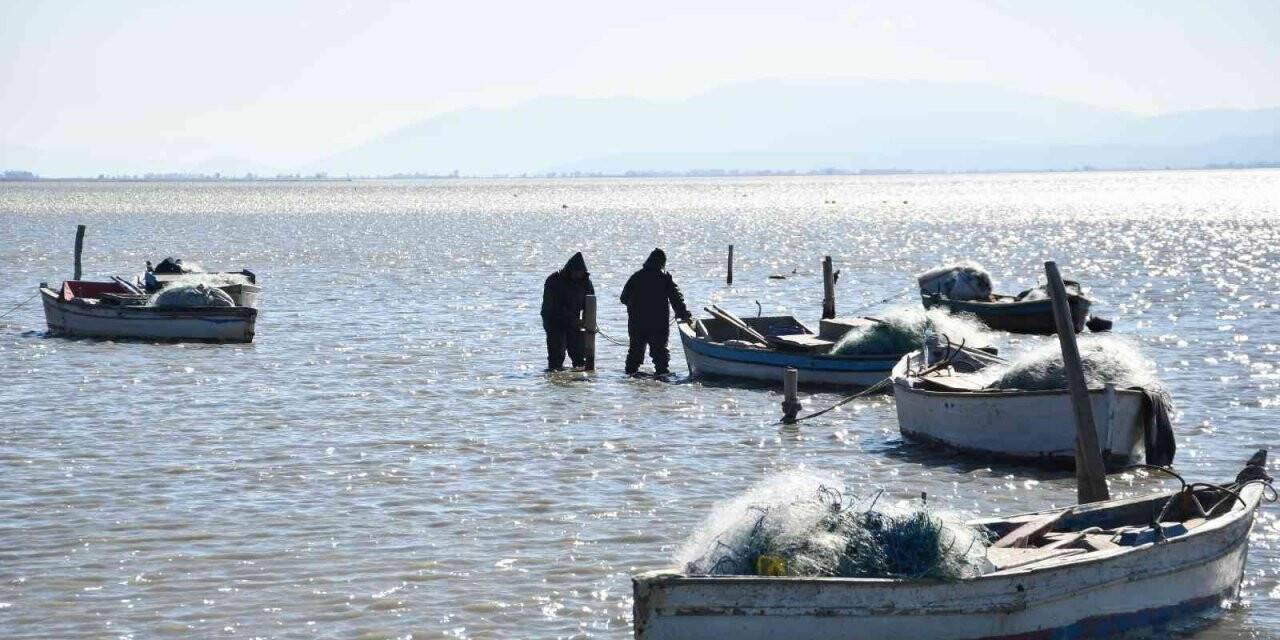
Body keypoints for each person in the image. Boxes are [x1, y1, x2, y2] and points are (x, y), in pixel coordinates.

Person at [620, 248, 692, 375]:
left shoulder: (636, 277)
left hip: (637, 323)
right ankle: (661, 380)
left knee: (634, 354)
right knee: (660, 357)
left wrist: (634, 307)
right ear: (662, 263)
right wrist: (683, 314)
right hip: (658, 324)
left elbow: (623, 298)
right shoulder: (664, 278)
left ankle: (630, 378)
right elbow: (676, 299)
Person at [541, 252, 594, 371]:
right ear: (570, 270)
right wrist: (575, 320)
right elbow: (553, 307)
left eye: (580, 272)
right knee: (557, 355)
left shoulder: (586, 282)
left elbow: (590, 304)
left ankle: (580, 377)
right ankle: (555, 377)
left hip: (574, 322)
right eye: (576, 271)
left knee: (579, 354)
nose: (578, 274)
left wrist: (588, 322)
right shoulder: (554, 281)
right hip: (553, 321)